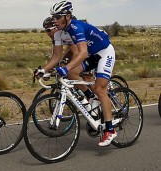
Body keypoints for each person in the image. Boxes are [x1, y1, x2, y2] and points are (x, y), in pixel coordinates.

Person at [45, 0, 116, 147]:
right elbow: (56, 57)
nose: (55, 20)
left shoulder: (76, 27)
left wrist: (66, 66)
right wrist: (43, 70)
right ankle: (89, 97)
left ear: (68, 16)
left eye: (58, 17)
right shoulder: (59, 34)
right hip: (93, 55)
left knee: (100, 89)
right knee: (70, 73)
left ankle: (110, 130)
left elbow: (82, 53)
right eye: (53, 17)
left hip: (105, 53)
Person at [40, 16, 96, 107]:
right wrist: (46, 70)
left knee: (85, 77)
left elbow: (76, 53)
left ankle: (94, 98)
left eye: (49, 30)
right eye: (46, 31)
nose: (47, 33)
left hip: (91, 53)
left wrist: (66, 66)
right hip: (80, 54)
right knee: (69, 71)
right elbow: (56, 56)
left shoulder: (68, 34)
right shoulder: (57, 37)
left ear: (55, 28)